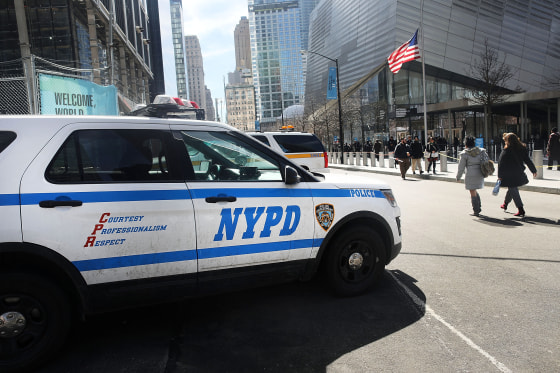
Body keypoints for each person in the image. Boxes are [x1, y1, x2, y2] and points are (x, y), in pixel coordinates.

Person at [498, 132, 537, 217]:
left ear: (508, 141)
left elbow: (501, 164)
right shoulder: (522, 148)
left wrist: (500, 176)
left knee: (513, 189)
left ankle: (520, 209)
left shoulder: (506, 150)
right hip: (519, 173)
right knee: (512, 188)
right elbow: (527, 160)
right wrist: (533, 170)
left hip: (509, 174)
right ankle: (505, 204)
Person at [456, 137, 487, 216]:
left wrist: (458, 177)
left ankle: (476, 210)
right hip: (480, 172)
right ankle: (478, 206)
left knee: (472, 191)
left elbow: (461, 167)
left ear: (466, 144)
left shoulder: (464, 153)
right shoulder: (481, 151)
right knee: (474, 190)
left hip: (470, 174)